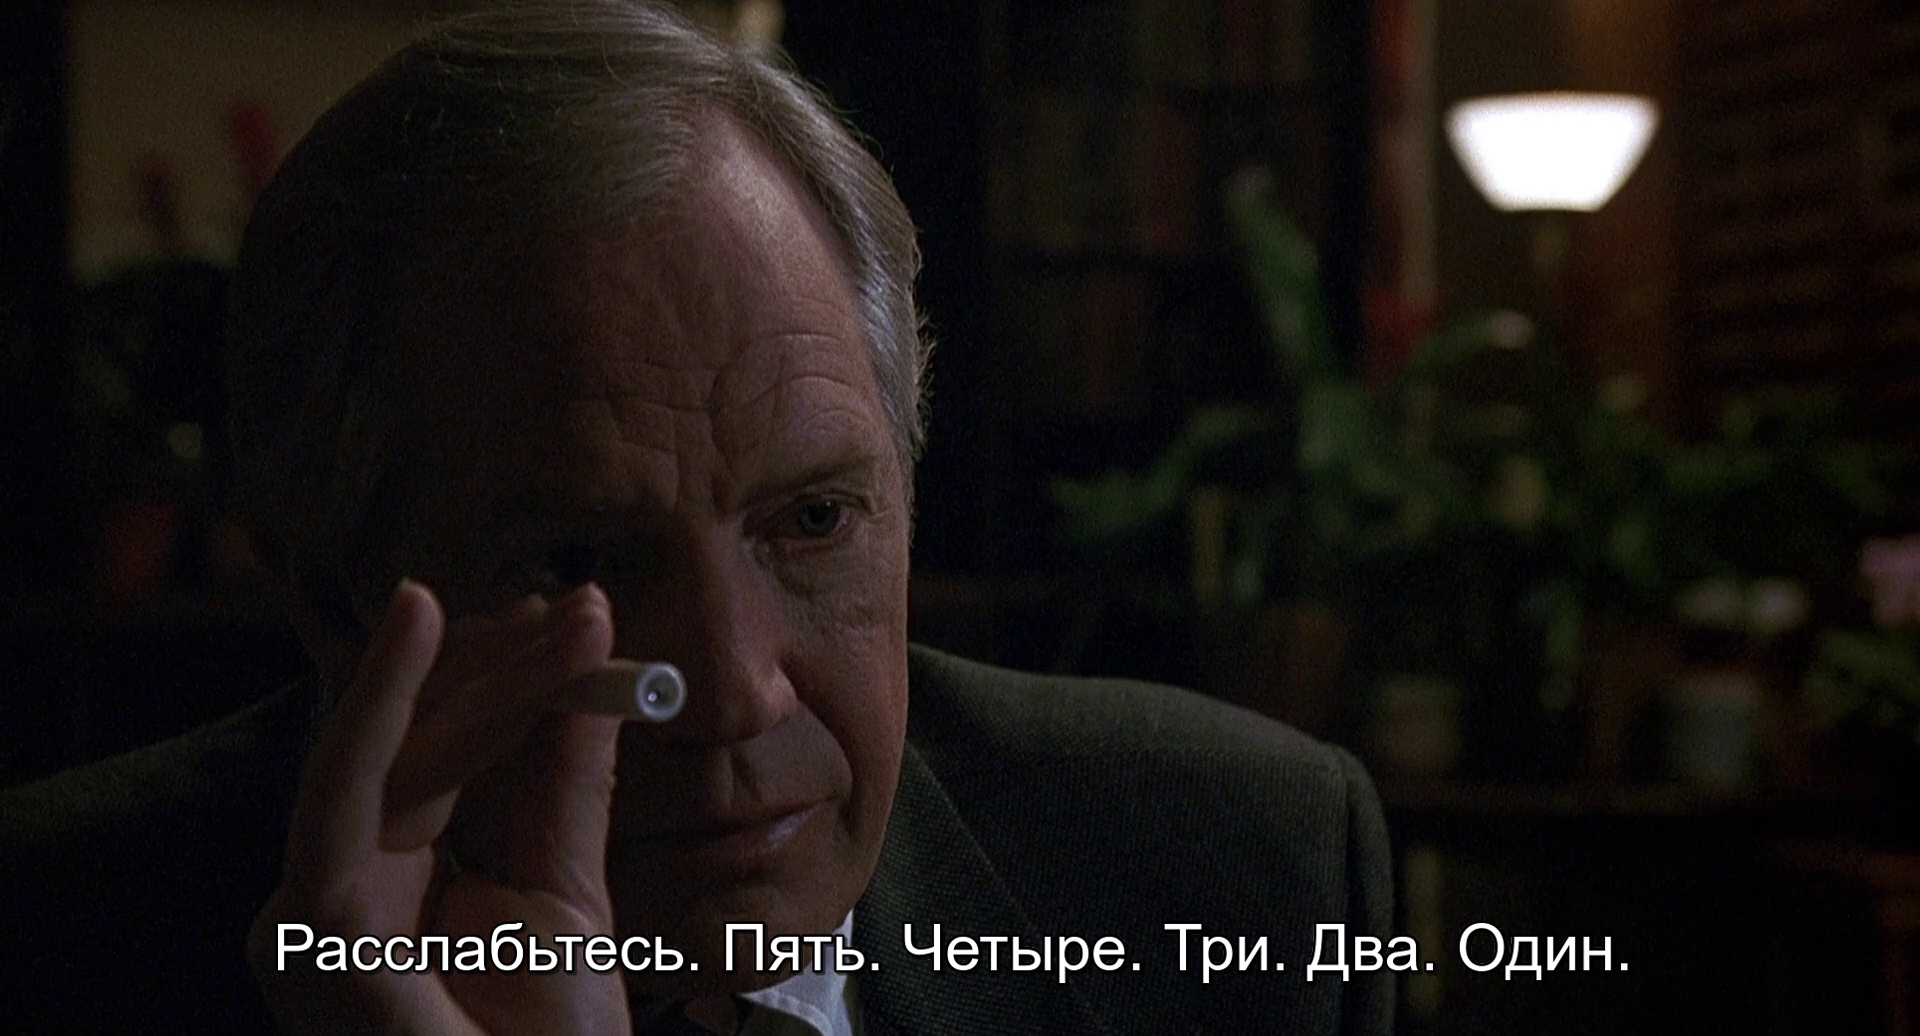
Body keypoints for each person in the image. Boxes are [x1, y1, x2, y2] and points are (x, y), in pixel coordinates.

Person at [1, 2, 1393, 1032]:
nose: (731, 691)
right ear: (333, 599)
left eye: (815, 521)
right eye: (577, 566)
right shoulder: (55, 944)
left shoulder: (1245, 874)